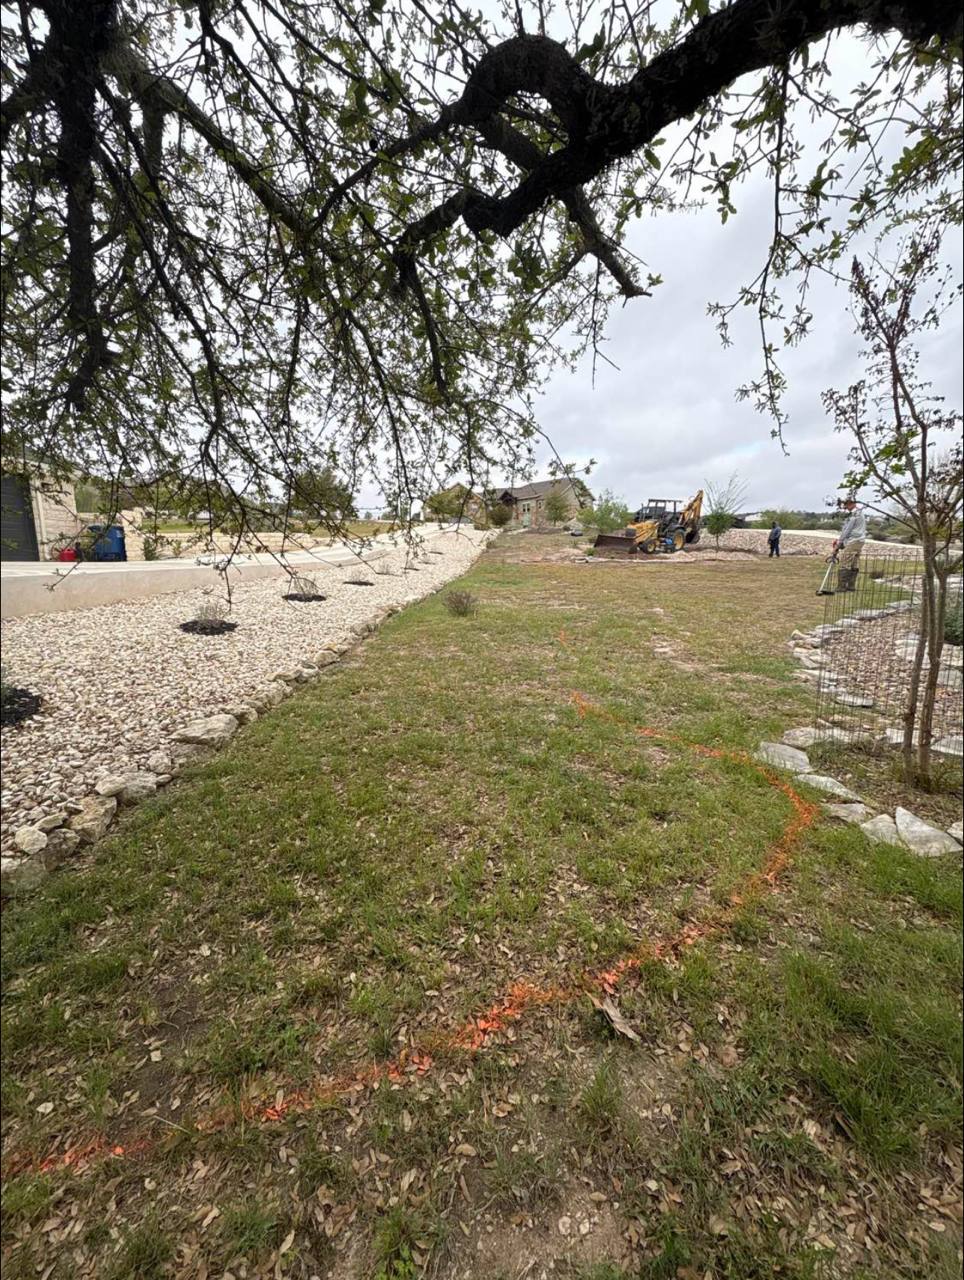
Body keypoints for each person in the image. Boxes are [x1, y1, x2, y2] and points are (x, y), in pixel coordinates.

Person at [834, 497, 866, 591]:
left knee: (845, 561)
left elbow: (847, 530)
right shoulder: (860, 513)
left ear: (853, 504)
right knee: (854, 563)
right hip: (860, 540)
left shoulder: (854, 515)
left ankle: (842, 586)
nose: (846, 507)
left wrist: (839, 542)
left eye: (847, 504)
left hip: (854, 540)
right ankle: (851, 586)